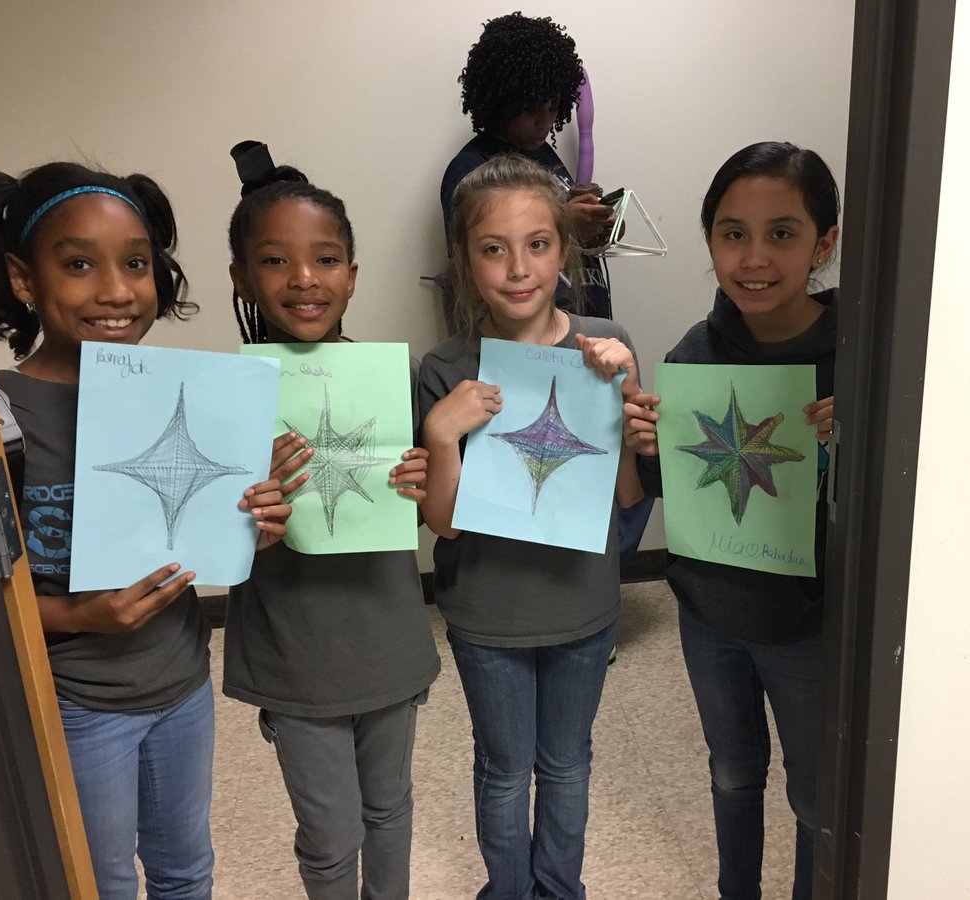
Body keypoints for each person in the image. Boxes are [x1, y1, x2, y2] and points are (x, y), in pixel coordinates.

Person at [0, 161, 295, 900]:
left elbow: (201, 537)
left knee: (187, 871)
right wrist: (81, 615)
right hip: (78, 701)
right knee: (102, 883)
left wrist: (255, 528)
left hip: (181, 680)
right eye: (79, 264)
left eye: (136, 264)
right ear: (23, 278)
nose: (116, 291)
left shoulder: (185, 394)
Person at [418, 153, 644, 900]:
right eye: (494, 249)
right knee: (505, 770)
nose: (518, 268)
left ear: (564, 250)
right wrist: (441, 434)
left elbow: (628, 494)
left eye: (538, 244)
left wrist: (626, 395)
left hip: (584, 605)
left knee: (568, 763)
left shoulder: (605, 344)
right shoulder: (446, 367)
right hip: (489, 616)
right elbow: (443, 524)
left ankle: (560, 890)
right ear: (464, 260)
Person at [222, 141, 440, 900]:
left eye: (325, 259)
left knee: (390, 808)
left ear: (352, 273)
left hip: (387, 640)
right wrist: (248, 509)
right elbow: (212, 542)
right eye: (274, 261)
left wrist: (422, 480)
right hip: (295, 655)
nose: (304, 279)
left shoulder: (394, 378)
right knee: (330, 833)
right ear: (242, 278)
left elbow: (421, 515)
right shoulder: (227, 393)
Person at [623, 141, 839, 900]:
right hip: (711, 614)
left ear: (824, 243)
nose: (754, 258)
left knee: (817, 795)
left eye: (782, 233)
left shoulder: (861, 358)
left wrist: (858, 440)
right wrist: (646, 445)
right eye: (732, 233)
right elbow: (668, 492)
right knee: (732, 772)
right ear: (710, 239)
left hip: (811, 623)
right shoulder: (693, 355)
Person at [440, 11, 614, 323]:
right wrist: (566, 223)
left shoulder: (543, 153)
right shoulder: (471, 168)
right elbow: (480, 264)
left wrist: (596, 224)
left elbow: (565, 243)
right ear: (503, 101)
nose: (544, 122)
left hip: (580, 326)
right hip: (524, 338)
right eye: (533, 110)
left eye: (553, 108)